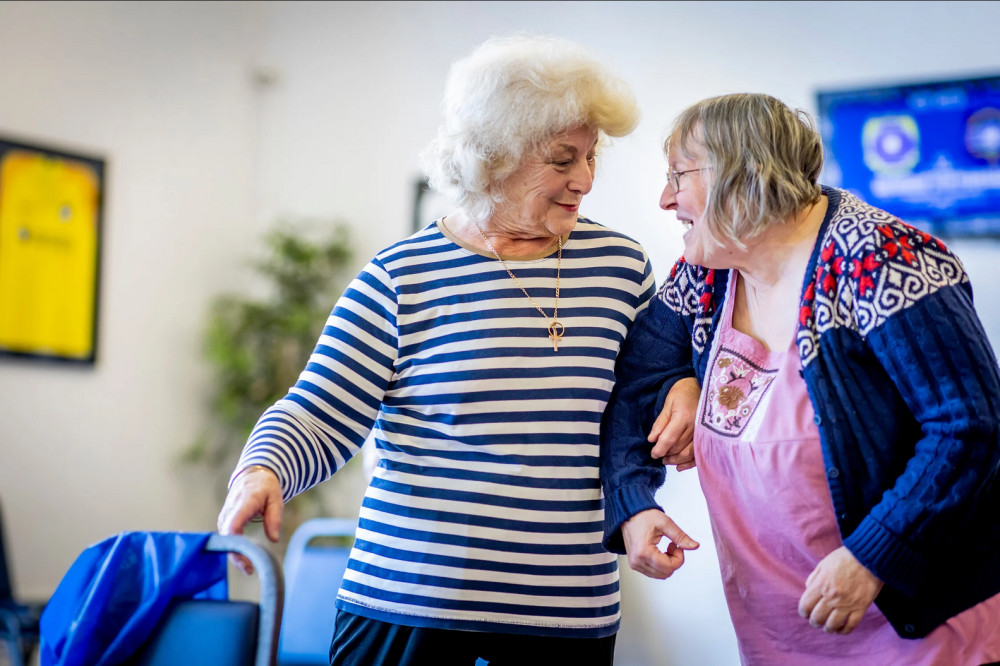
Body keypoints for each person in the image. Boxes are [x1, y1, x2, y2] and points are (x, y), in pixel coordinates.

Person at [216, 34, 699, 666]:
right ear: (493, 158)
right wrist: (265, 467)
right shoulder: (401, 277)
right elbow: (319, 410)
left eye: (589, 157)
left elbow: (646, 383)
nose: (583, 178)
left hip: (567, 613)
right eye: (561, 159)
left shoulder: (621, 267)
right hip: (409, 607)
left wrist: (681, 387)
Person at [600, 92, 1000, 665]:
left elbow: (970, 425)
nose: (666, 199)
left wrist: (874, 557)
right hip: (780, 633)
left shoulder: (880, 257)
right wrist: (634, 499)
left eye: (678, 175)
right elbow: (640, 370)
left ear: (747, 175)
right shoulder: (708, 273)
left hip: (912, 627)